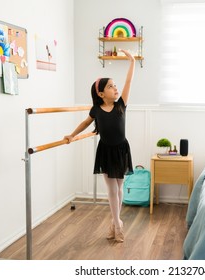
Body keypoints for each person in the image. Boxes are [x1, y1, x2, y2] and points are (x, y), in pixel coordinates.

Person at [64, 49, 135, 242]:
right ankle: (118, 224)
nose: (116, 88)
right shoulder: (96, 109)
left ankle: (115, 222)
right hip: (106, 151)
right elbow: (86, 123)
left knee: (120, 189)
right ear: (102, 93)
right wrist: (72, 135)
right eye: (111, 86)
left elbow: (128, 82)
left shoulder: (121, 104)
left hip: (121, 149)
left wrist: (132, 62)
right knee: (112, 190)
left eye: (115, 85)